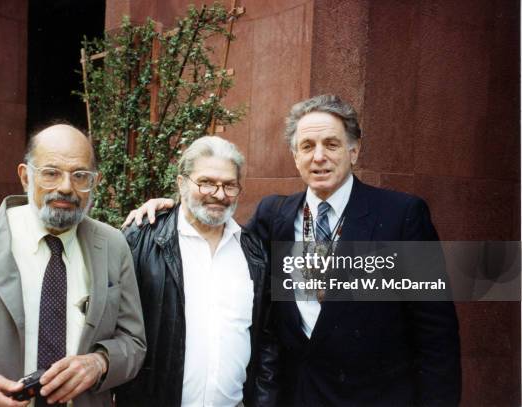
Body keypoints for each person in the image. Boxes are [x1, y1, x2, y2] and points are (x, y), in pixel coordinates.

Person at [124, 95, 462, 406]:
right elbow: (217, 228)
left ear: (354, 150)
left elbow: (436, 334)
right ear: (295, 156)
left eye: (331, 144)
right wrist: (171, 207)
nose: (319, 157)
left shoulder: (401, 216)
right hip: (297, 397)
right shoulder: (275, 217)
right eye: (307, 146)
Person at [0, 124, 146, 407]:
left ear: (94, 181)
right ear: (25, 177)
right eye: (51, 173)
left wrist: (100, 362)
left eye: (80, 175)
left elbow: (133, 342)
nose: (66, 187)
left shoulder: (112, 244)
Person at [117, 136, 277, 407]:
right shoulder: (141, 240)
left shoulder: (254, 252)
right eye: (206, 182)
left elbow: (266, 342)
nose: (218, 194)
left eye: (229, 185)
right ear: (181, 183)